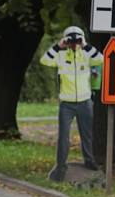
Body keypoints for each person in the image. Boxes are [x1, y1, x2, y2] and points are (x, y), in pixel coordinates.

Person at [39, 26, 103, 181]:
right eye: (71, 40)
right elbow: (44, 60)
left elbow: (101, 59)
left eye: (77, 40)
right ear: (66, 41)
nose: (74, 43)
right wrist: (58, 46)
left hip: (85, 101)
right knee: (63, 136)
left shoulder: (86, 55)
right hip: (66, 104)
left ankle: (89, 161)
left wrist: (85, 45)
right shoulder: (60, 56)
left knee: (86, 134)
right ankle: (61, 165)